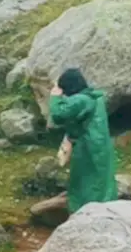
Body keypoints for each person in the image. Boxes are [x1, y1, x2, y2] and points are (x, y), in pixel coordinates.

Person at [49, 68, 118, 213]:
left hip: (87, 146)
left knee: (85, 179)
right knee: (102, 178)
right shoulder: (94, 97)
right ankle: (107, 206)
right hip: (100, 145)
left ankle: (84, 211)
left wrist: (55, 97)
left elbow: (58, 114)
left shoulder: (81, 100)